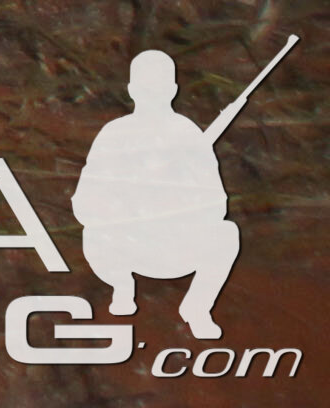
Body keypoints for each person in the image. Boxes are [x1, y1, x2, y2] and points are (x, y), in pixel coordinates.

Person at [75, 47, 244, 339]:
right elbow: (84, 202)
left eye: (159, 88)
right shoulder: (114, 134)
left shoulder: (189, 136)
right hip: (124, 246)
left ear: (173, 90)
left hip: (175, 246)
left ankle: (197, 307)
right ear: (132, 90)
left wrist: (178, 200)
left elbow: (218, 204)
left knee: (227, 234)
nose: (152, 95)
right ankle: (122, 286)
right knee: (92, 234)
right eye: (146, 88)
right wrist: (124, 207)